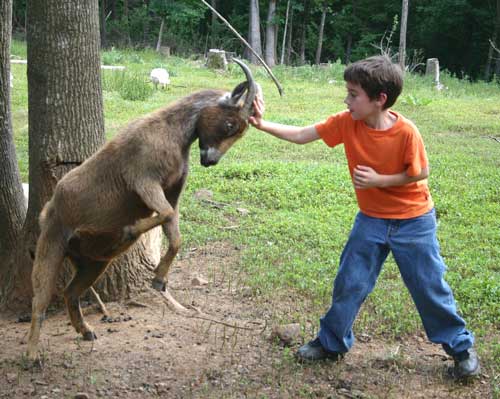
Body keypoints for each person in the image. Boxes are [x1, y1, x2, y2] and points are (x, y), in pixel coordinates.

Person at [249, 55, 479, 379]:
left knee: (429, 286)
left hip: (413, 221)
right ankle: (331, 342)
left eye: (353, 94)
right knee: (350, 282)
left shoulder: (406, 132)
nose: (347, 99)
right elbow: (302, 134)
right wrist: (261, 124)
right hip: (371, 219)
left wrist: (379, 181)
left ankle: (461, 348)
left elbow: (420, 172)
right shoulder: (347, 122)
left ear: (379, 99)